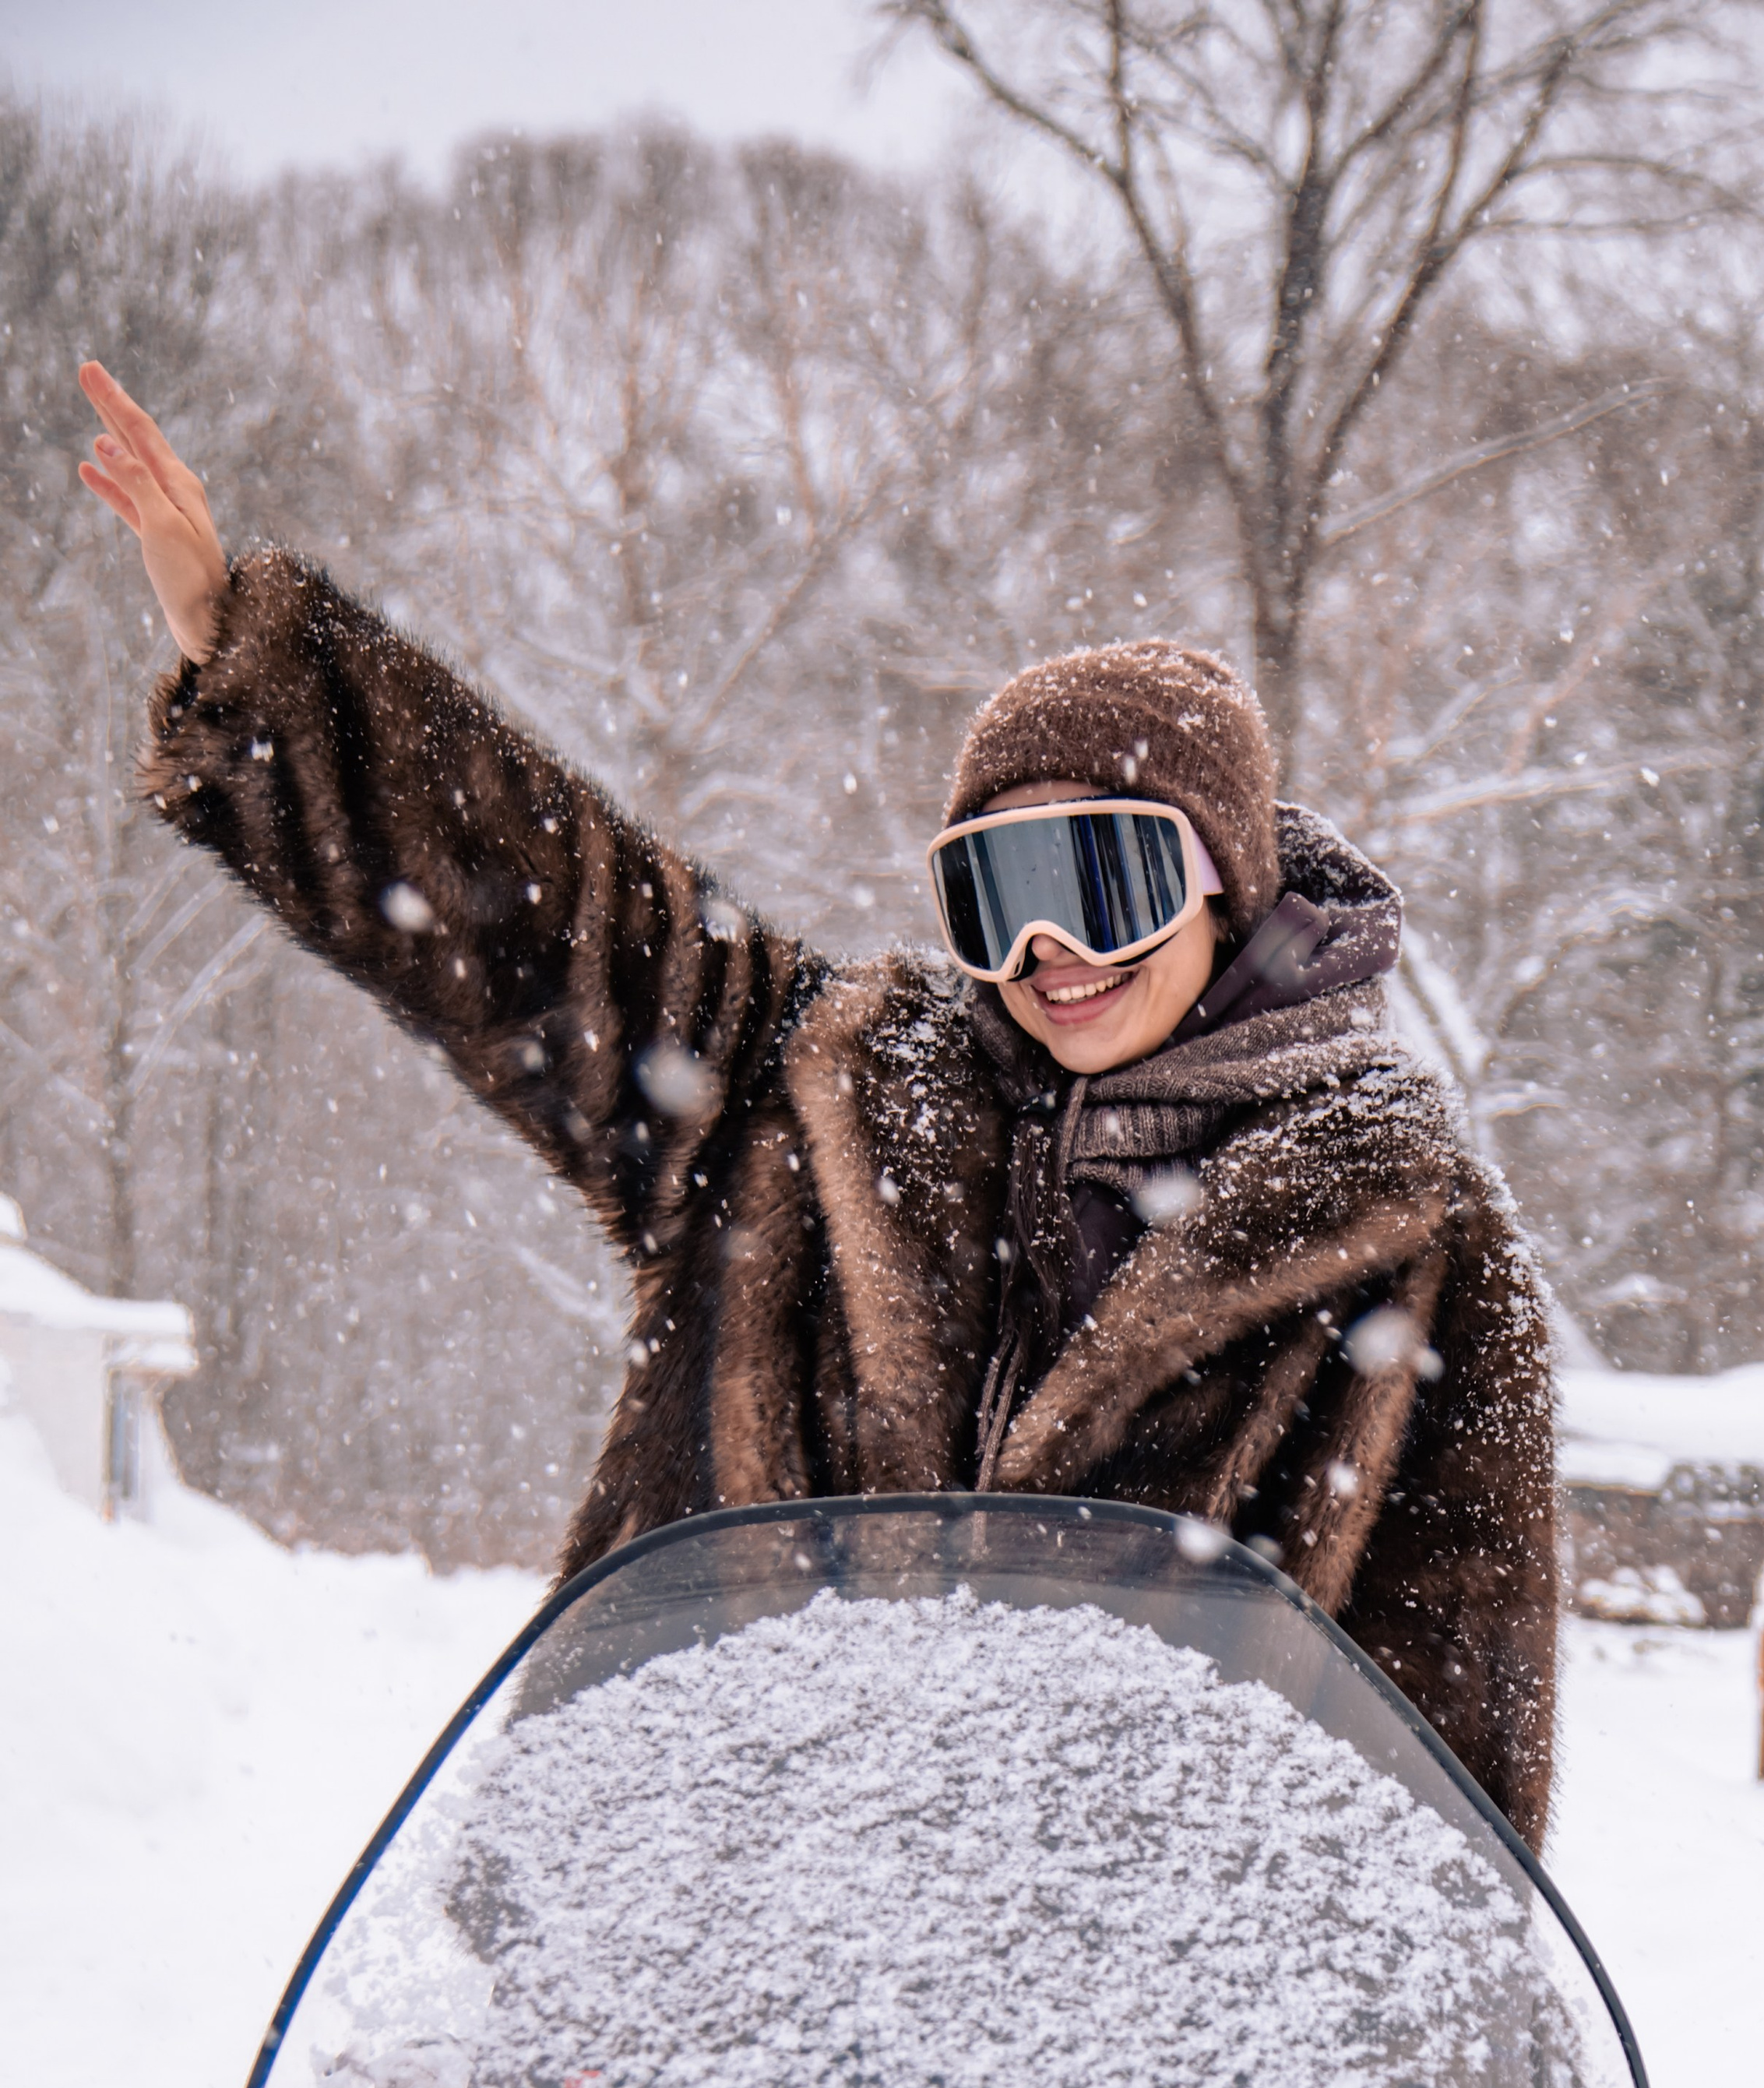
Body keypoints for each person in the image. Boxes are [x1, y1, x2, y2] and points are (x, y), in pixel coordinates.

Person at [77, 361, 1559, 1846]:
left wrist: (1391, 2052)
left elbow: (1450, 1741)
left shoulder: (1402, 1231)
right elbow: (537, 914)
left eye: (1103, 884)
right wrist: (258, 666)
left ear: (1226, 888)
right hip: (705, 1952)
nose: (1049, 954)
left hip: (1143, 2031)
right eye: (998, 896)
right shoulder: (823, 1094)